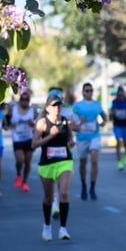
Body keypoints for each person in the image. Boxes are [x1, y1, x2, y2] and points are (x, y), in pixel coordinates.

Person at [32, 93, 75, 241]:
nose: (57, 108)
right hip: (47, 163)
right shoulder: (42, 123)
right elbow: (34, 144)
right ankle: (47, 226)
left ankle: (63, 229)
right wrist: (50, 136)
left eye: (59, 105)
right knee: (48, 198)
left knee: (64, 194)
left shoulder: (66, 122)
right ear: (47, 108)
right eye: (54, 105)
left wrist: (71, 142)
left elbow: (70, 139)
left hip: (65, 161)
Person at [72, 83, 107, 200]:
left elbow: (104, 115)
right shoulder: (77, 106)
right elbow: (72, 124)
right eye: (87, 91)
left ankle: (92, 187)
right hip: (82, 138)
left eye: (91, 90)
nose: (89, 92)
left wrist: (103, 122)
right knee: (83, 163)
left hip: (94, 136)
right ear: (83, 92)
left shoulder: (97, 104)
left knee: (94, 160)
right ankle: (83, 185)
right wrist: (80, 122)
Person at [7, 90, 37, 192]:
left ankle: (24, 182)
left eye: (27, 99)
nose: (25, 101)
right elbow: (7, 123)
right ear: (20, 100)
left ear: (29, 100)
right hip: (17, 139)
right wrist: (11, 125)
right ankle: (18, 174)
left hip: (29, 139)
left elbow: (38, 125)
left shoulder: (33, 110)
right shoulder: (13, 109)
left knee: (28, 162)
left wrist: (32, 123)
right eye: (23, 99)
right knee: (20, 160)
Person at [110, 86, 126, 170]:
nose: (120, 97)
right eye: (119, 95)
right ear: (117, 95)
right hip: (117, 125)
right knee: (118, 141)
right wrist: (113, 112)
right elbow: (111, 111)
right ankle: (118, 162)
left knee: (125, 142)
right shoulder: (114, 102)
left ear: (124, 94)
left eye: (122, 95)